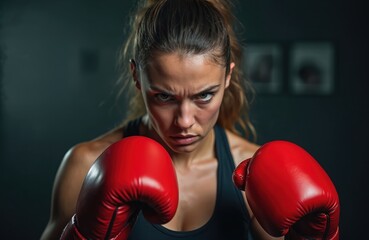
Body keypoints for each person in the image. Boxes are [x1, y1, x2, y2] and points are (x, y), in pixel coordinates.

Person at [41, 0, 339, 239]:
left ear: (228, 77)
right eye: (165, 97)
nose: (184, 121)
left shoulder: (252, 174)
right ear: (136, 77)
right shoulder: (86, 166)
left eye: (204, 96)